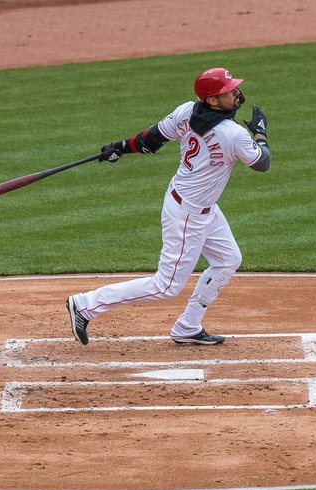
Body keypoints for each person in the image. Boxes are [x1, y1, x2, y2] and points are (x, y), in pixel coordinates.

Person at [66, 67, 270, 346]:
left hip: (199, 205)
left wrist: (121, 147)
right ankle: (85, 304)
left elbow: (152, 139)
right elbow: (262, 163)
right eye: (228, 91)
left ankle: (188, 326)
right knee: (166, 285)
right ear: (211, 100)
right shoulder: (233, 134)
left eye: (234, 87)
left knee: (228, 260)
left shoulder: (187, 111)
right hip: (187, 214)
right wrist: (260, 135)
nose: (236, 92)